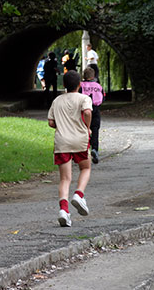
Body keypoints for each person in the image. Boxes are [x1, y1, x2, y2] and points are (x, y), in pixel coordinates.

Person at [48, 70, 93, 227]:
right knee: (85, 168)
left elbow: (51, 123)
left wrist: (62, 123)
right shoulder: (84, 98)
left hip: (62, 142)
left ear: (64, 85)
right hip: (80, 139)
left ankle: (63, 211)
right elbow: (87, 112)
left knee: (65, 178)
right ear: (80, 84)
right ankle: (79, 194)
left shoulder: (57, 101)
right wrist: (87, 127)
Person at [80, 67, 104, 164]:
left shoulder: (81, 86)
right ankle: (95, 149)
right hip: (96, 109)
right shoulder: (98, 86)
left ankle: (83, 150)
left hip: (84, 109)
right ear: (93, 76)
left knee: (83, 129)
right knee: (95, 130)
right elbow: (103, 98)